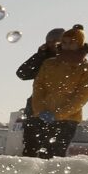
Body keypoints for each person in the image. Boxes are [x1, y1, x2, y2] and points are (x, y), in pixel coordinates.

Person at [28, 26, 88, 158]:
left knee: (56, 155)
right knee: (38, 155)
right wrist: (40, 110)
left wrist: (59, 114)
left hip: (68, 119)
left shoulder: (87, 68)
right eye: (64, 42)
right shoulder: (49, 63)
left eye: (72, 42)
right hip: (42, 116)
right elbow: (38, 87)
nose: (67, 45)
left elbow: (82, 95)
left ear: (80, 44)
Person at [16, 28, 70, 157]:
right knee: (31, 148)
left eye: (57, 41)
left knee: (53, 152)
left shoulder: (72, 60)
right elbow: (22, 73)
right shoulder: (43, 58)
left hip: (60, 109)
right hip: (36, 108)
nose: (53, 45)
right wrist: (40, 54)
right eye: (49, 42)